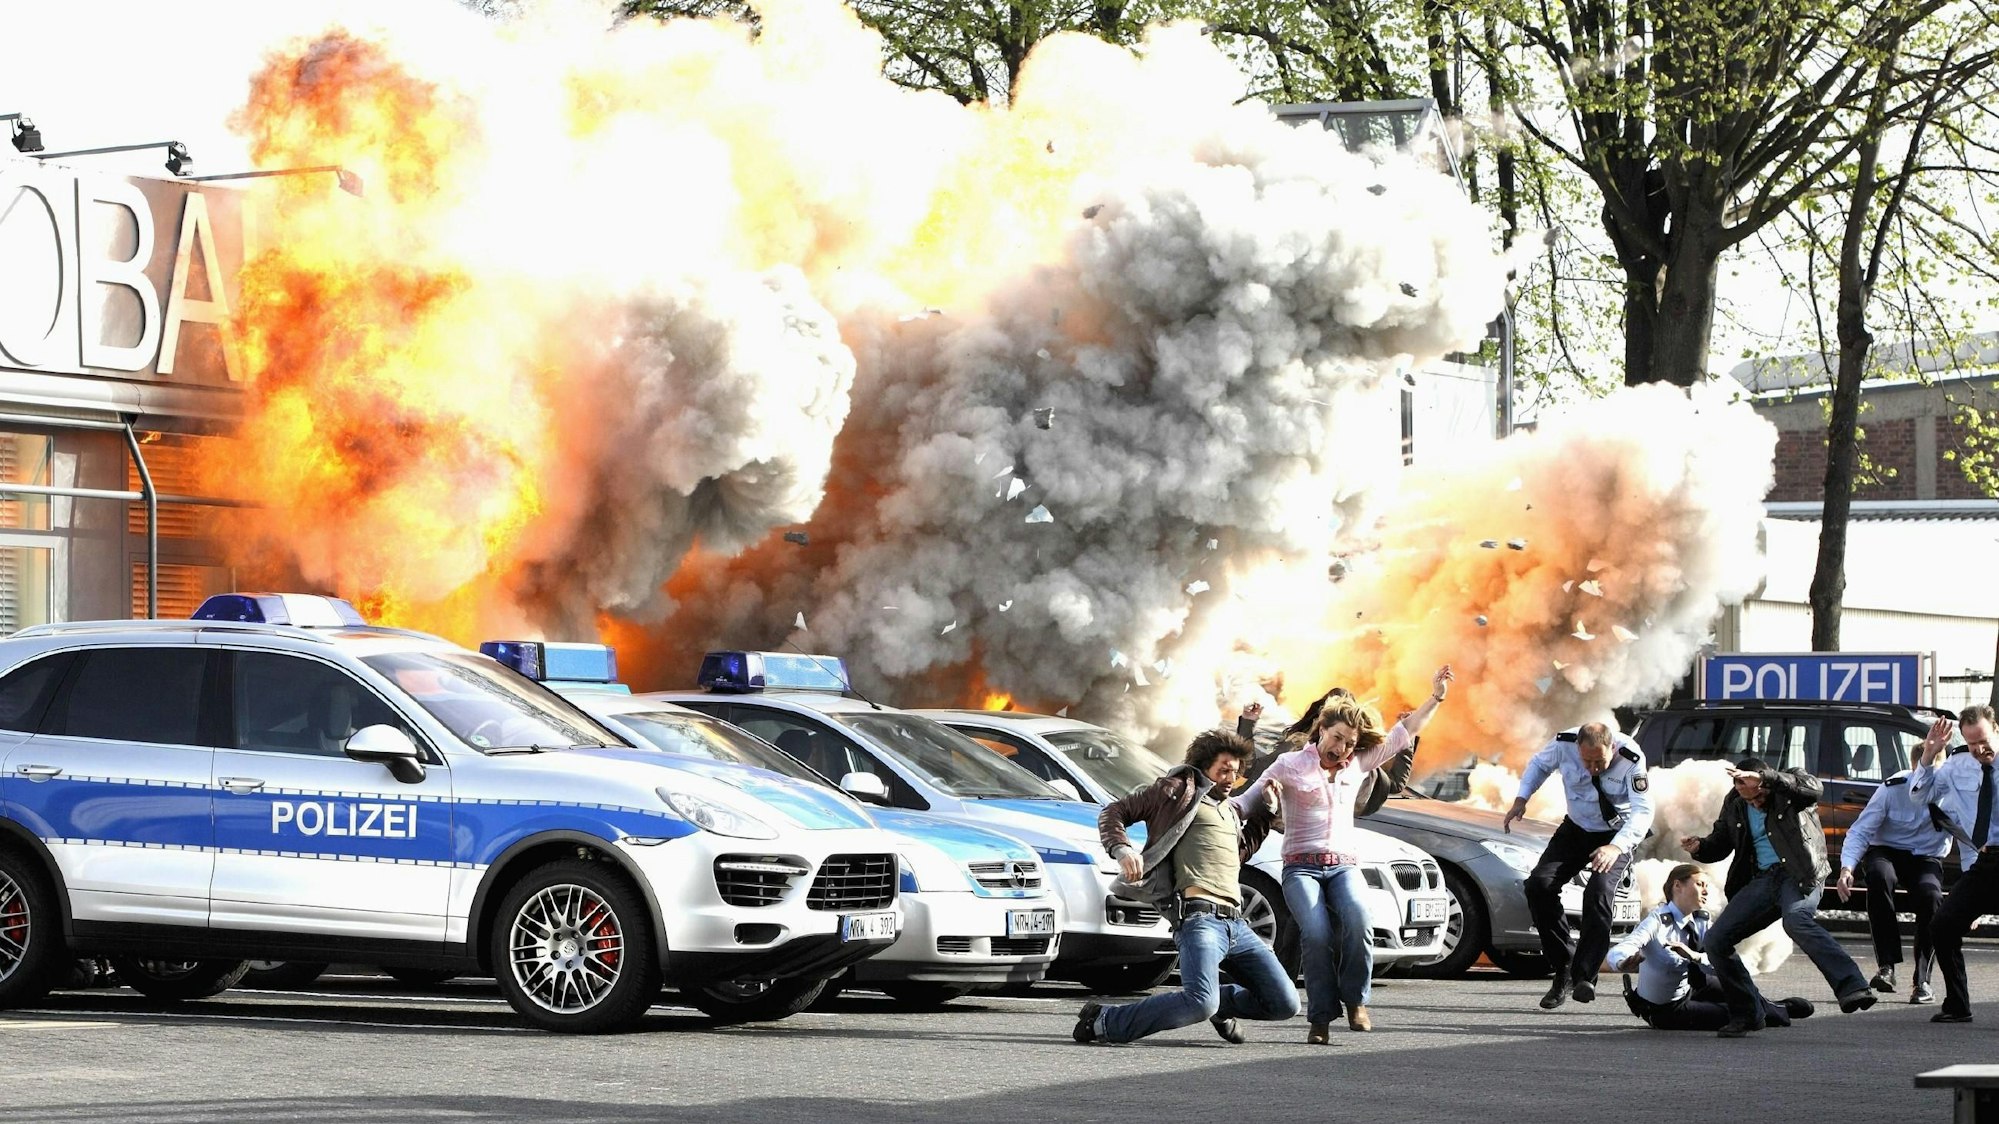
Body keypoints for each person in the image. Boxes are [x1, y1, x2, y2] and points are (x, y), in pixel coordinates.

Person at [1235, 666, 1454, 1041]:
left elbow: (1406, 733)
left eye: (1351, 743)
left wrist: (1436, 696)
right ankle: (1320, 1018)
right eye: (1338, 738)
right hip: (1301, 868)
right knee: (1316, 934)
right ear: (1322, 730)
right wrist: (1208, 809)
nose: (1343, 749)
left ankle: (1355, 1000)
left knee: (1358, 921)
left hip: (1344, 867)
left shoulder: (1356, 764)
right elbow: (1244, 801)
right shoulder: (1290, 764)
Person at [1075, 729, 1300, 1045]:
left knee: (1285, 1003)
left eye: (1235, 772)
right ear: (1203, 766)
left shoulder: (1229, 811)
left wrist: (1265, 810)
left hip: (1237, 923)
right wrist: (1122, 849)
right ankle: (1104, 1021)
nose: (1230, 778)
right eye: (1223, 769)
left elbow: (1240, 853)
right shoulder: (1177, 791)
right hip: (1200, 920)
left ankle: (1221, 1003)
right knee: (1200, 1002)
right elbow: (1115, 811)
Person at [1681, 756, 1876, 1037]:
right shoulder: (1735, 801)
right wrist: (1699, 847)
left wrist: (1768, 782)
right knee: (1716, 939)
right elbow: (1720, 843)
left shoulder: (1791, 788)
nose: (1753, 802)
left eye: (1757, 794)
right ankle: (1748, 1013)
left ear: (1764, 781)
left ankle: (1853, 987)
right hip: (1763, 880)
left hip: (1799, 876)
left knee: (1795, 919)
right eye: (1745, 796)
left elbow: (1813, 788)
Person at [1505, 722, 1653, 1009]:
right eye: (1587, 761)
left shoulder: (1632, 757)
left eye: (1600, 762)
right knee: (1539, 886)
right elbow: (1538, 765)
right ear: (1577, 749)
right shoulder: (1564, 743)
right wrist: (1522, 798)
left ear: (1613, 748)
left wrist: (1615, 847)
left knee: (1597, 893)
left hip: (1616, 834)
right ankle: (1563, 966)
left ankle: (1585, 975)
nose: (1593, 768)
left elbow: (1644, 811)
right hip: (1576, 828)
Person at [1606, 863, 1813, 1031]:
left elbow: (1720, 964)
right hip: (1666, 1010)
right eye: (1699, 884)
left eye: (1707, 885)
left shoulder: (1701, 920)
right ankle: (1779, 1010)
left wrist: (1696, 957)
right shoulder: (1657, 921)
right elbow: (1626, 946)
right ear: (1677, 886)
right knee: (1736, 1014)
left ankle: (1773, 1006)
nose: (1705, 890)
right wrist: (1622, 963)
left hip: (1693, 988)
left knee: (1739, 988)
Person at [1911, 704, 1999, 1024]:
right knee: (1942, 926)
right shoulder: (1958, 764)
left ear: (1996, 730)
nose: (1979, 749)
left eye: (1984, 740)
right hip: (1985, 861)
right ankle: (1957, 1004)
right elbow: (1921, 797)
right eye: (1972, 742)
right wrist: (1929, 755)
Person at [1834, 765, 1951, 1004]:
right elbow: (1860, 831)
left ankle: (1922, 981)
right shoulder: (1893, 789)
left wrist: (1973, 900)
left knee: (1931, 897)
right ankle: (1886, 966)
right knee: (1879, 875)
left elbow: (1971, 838)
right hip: (1887, 849)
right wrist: (1847, 868)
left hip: (1926, 856)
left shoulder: (1954, 792)